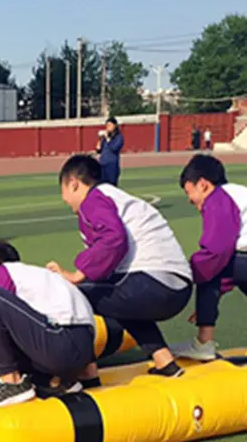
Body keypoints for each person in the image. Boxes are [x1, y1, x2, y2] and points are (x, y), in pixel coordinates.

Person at [47, 155, 192, 379]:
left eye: (63, 190)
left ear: (73, 184)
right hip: (177, 288)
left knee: (74, 295)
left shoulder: (93, 200)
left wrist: (76, 275)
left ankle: (86, 371)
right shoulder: (114, 197)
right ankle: (164, 361)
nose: (64, 199)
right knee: (114, 300)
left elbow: (113, 239)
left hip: (152, 283)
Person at [0, 242, 96, 411]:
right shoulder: (44, 277)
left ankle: (10, 384)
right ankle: (58, 381)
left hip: (59, 345)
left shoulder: (0, 273)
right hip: (83, 354)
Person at [173, 155, 247, 361]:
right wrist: (208, 303)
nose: (189, 199)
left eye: (190, 192)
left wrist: (185, 273)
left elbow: (217, 251)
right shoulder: (235, 194)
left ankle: (204, 343)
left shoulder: (218, 198)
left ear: (203, 185)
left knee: (205, 266)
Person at [96, 117, 124, 186]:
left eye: (110, 125)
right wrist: (99, 139)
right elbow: (98, 150)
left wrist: (108, 139)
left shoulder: (119, 137)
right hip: (102, 164)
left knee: (112, 186)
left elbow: (114, 148)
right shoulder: (105, 138)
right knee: (102, 185)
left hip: (112, 165)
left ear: (115, 125)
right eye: (107, 126)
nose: (108, 127)